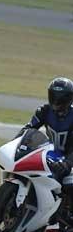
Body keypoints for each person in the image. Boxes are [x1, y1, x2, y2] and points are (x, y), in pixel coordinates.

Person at [18, 76, 73, 219]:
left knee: (69, 182)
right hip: (53, 153)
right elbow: (29, 129)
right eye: (53, 96)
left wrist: (68, 162)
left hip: (70, 156)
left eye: (61, 97)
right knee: (33, 169)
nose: (56, 100)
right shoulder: (44, 110)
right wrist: (15, 144)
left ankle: (68, 213)